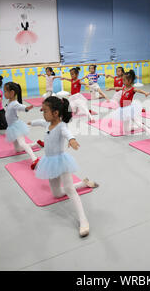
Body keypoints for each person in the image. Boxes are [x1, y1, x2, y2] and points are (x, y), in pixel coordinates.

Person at [29, 96, 99, 237]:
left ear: (55, 113)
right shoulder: (47, 124)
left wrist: (72, 140)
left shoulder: (61, 126)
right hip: (49, 162)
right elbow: (39, 122)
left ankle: (83, 220)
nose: (43, 113)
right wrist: (30, 122)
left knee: (68, 189)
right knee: (57, 194)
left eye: (45, 111)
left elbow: (68, 134)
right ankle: (83, 183)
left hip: (61, 161)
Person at [107, 70, 150, 143]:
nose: (123, 81)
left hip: (130, 109)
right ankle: (138, 126)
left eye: (124, 80)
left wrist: (145, 93)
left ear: (130, 80)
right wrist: (111, 88)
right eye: (122, 80)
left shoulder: (132, 89)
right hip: (123, 110)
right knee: (126, 130)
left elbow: (139, 90)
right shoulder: (124, 87)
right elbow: (118, 88)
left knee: (137, 122)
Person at [3, 82, 38, 169]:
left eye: (5, 91)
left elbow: (20, 107)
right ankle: (35, 144)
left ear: (12, 92)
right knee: (18, 149)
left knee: (22, 143)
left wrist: (26, 108)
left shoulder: (14, 103)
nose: (4, 93)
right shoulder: (9, 101)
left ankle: (34, 158)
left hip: (17, 127)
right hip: (11, 128)